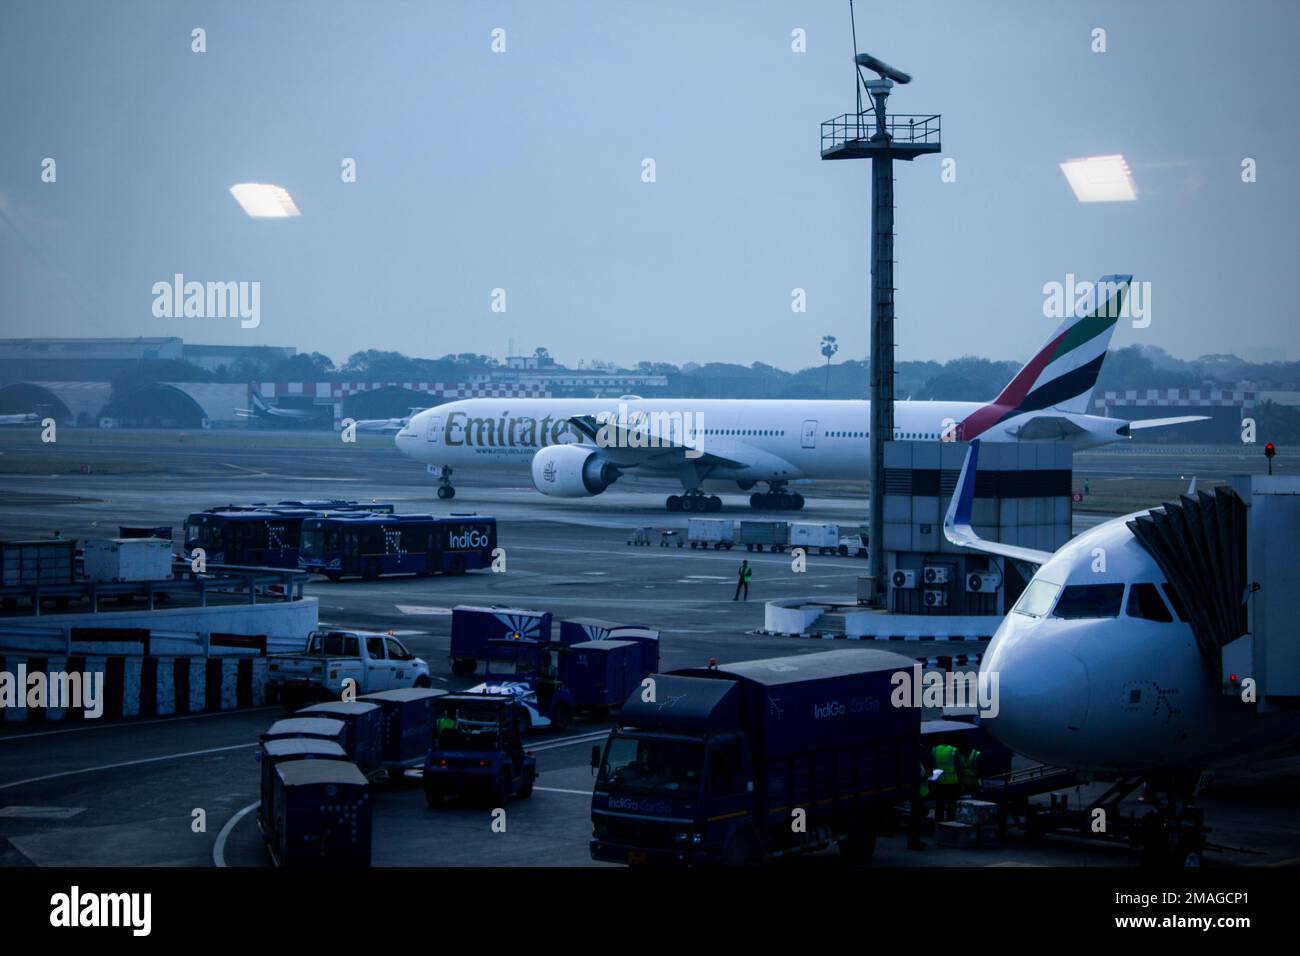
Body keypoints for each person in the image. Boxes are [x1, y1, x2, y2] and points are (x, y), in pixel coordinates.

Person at [930, 740, 962, 823]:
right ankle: (950, 822)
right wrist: (960, 783)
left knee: (939, 805)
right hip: (951, 782)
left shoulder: (934, 750)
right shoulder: (953, 750)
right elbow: (958, 767)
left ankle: (939, 822)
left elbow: (931, 765)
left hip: (938, 781)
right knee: (951, 805)